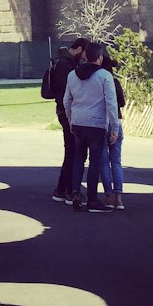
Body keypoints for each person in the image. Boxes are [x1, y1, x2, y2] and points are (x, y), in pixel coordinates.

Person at [62, 40, 119, 213]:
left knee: (79, 158)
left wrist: (71, 120)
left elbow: (67, 101)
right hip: (96, 123)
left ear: (86, 56)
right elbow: (111, 102)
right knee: (95, 161)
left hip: (78, 122)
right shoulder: (104, 76)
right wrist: (114, 127)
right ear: (100, 57)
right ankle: (92, 200)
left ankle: (76, 192)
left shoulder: (72, 75)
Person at [49, 38, 86, 203]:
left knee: (71, 151)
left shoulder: (63, 62)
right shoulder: (66, 64)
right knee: (73, 151)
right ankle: (69, 190)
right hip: (67, 112)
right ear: (79, 49)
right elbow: (67, 91)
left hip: (65, 110)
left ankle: (62, 189)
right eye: (84, 52)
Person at [98, 53, 126, 209]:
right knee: (116, 162)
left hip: (102, 122)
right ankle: (119, 198)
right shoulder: (115, 82)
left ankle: (108, 195)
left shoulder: (98, 81)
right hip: (116, 121)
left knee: (104, 162)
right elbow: (121, 102)